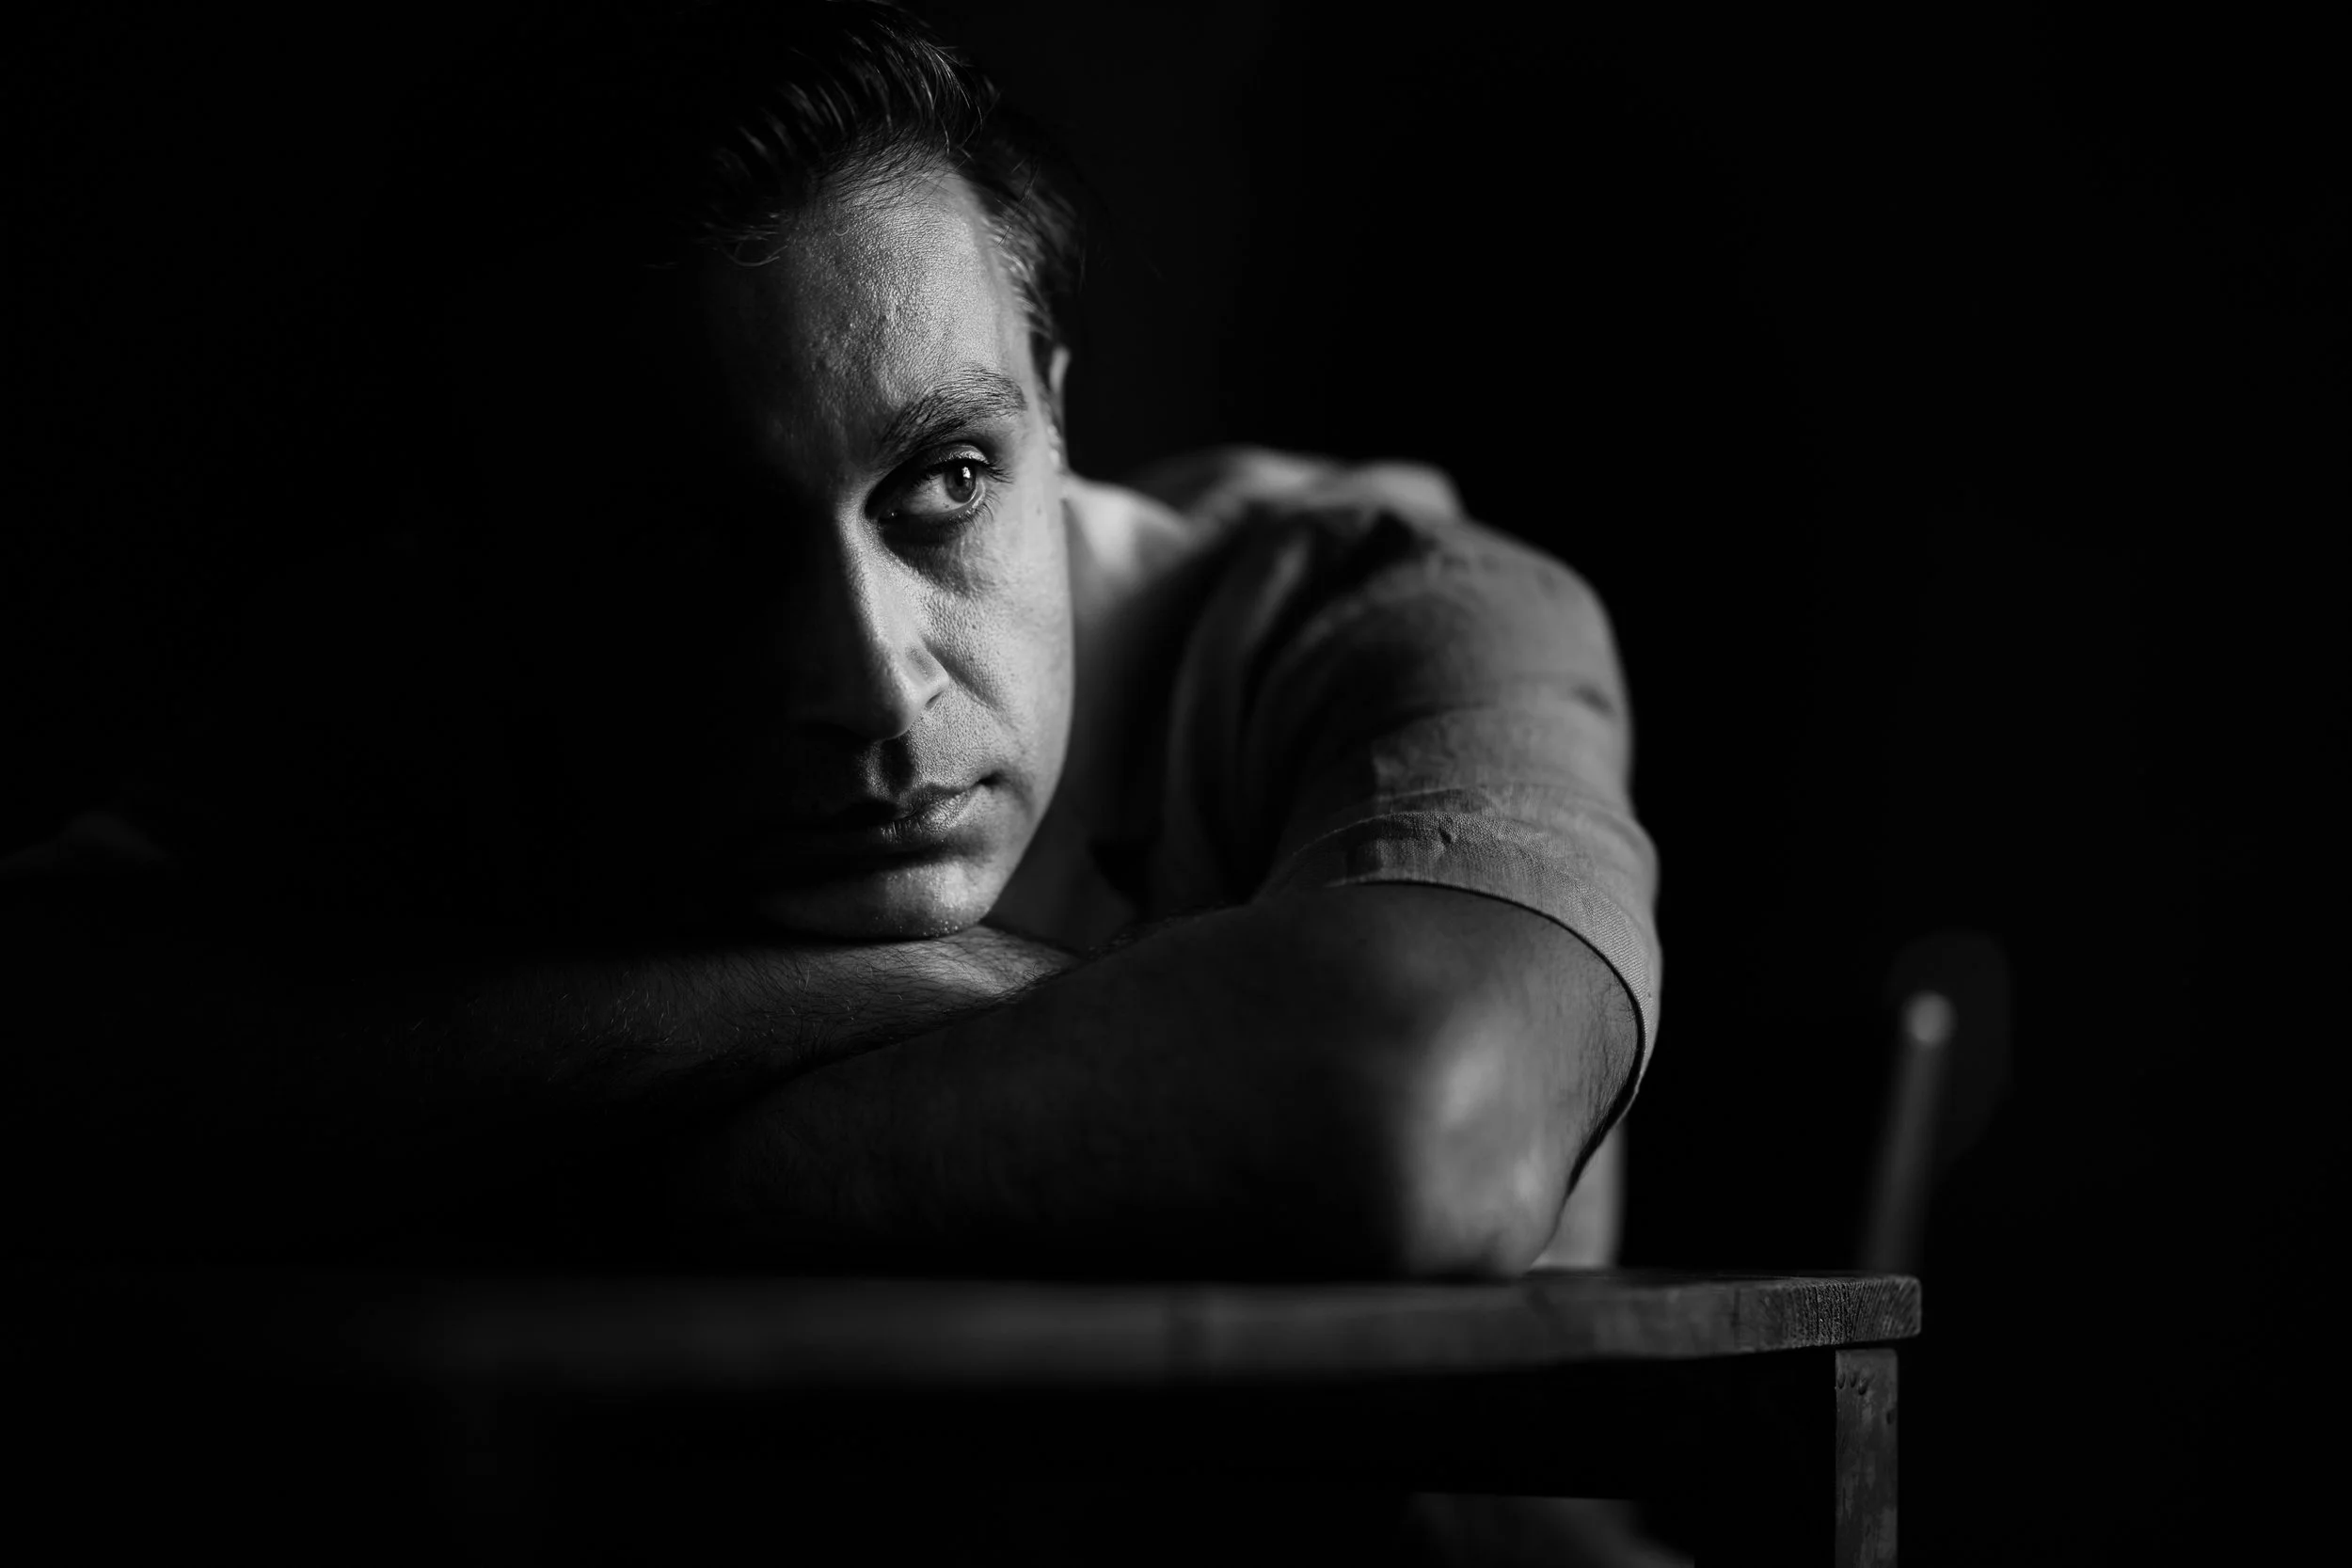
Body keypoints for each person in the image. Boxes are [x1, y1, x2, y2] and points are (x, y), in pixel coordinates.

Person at [2, 0, 1655, 1288]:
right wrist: (951, 993)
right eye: (694, 546)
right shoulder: (432, 683)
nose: (871, 684)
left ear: (1057, 422)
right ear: (499, 573)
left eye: (943, 481)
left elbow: (1407, 1110)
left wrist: (446, 1142)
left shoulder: (1377, 611)